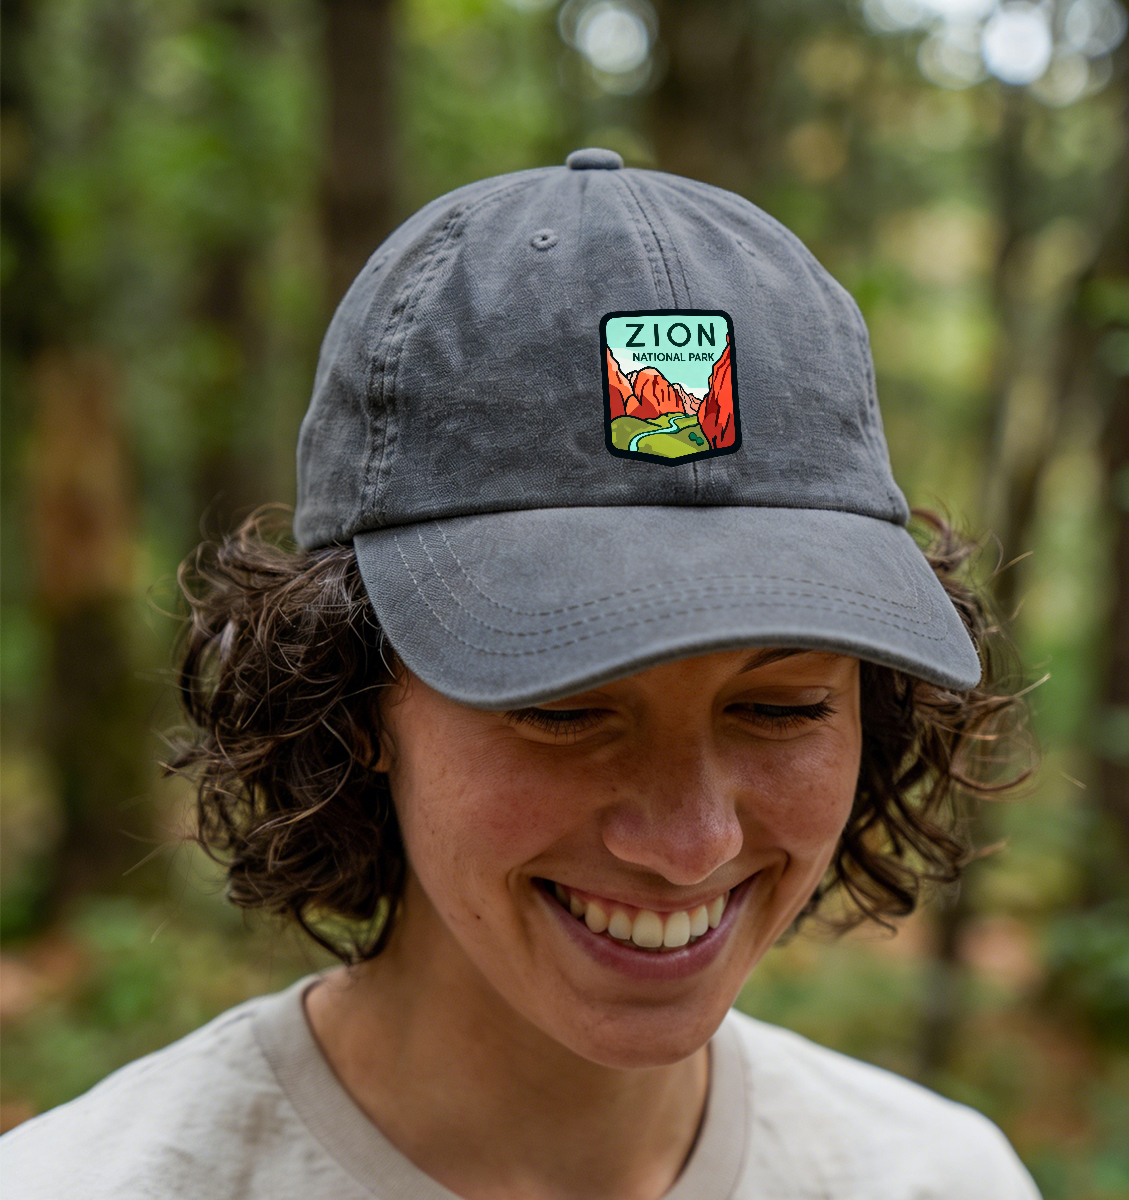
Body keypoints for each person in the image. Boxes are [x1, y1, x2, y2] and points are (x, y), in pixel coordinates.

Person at [1, 148, 1042, 1199]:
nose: (691, 846)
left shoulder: (935, 1178)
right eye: (564, 708)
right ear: (352, 695)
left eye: (781, 708)